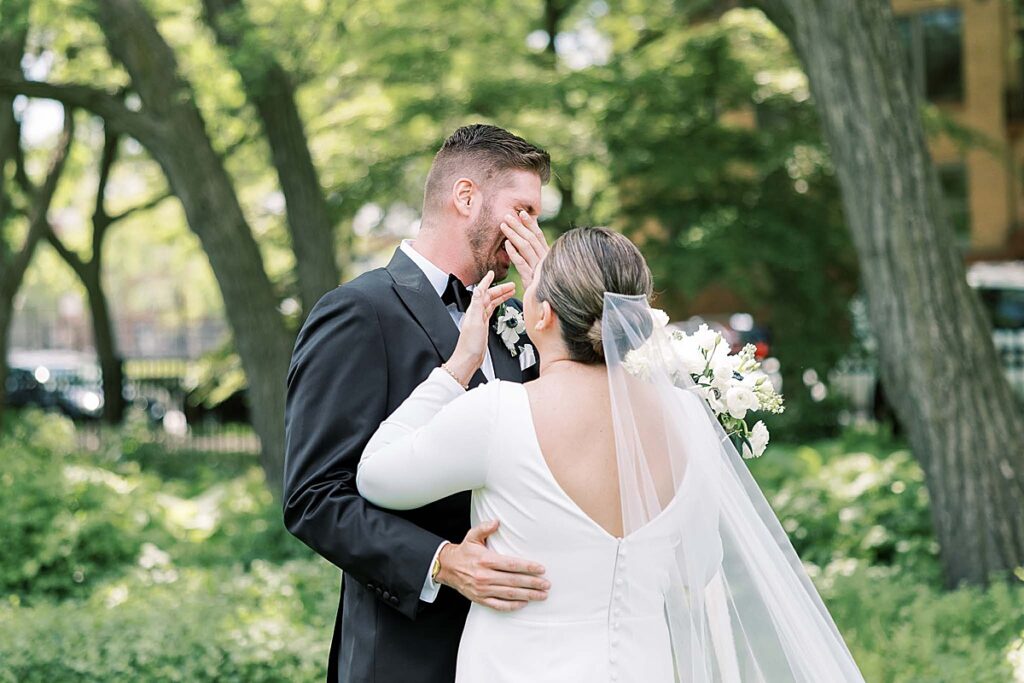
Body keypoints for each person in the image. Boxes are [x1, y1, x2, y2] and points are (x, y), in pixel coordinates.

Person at [357, 227, 868, 682]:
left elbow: (376, 476)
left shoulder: (498, 413)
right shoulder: (689, 419)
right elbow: (697, 568)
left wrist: (457, 368)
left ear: (543, 312)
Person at [283, 124, 554, 682]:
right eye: (523, 211)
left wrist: (553, 304)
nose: (532, 232)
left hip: (513, 651)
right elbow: (314, 497)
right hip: (403, 655)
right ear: (465, 197)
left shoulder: (519, 319)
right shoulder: (358, 311)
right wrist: (442, 561)